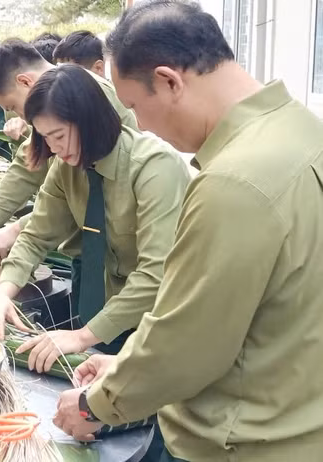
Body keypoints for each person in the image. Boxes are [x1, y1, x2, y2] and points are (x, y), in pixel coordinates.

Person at [52, 2, 323, 461]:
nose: (139, 124)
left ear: (170, 81)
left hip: (240, 444)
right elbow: (255, 316)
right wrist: (124, 364)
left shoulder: (233, 183)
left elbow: (185, 345)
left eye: (136, 105)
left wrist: (94, 404)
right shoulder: (301, 130)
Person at [0, 64, 190, 368]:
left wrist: (81, 336)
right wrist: (3, 293)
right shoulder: (67, 166)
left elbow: (155, 275)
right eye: (45, 138)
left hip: (162, 325)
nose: (54, 149)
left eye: (58, 136)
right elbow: (36, 235)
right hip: (107, 312)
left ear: (89, 121)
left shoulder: (154, 167)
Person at [0, 39, 138, 265]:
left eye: (12, 107)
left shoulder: (85, 94)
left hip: (113, 255)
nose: (20, 117)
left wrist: (16, 229)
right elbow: (27, 164)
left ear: (24, 82)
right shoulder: (49, 110)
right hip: (90, 248)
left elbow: (87, 194)